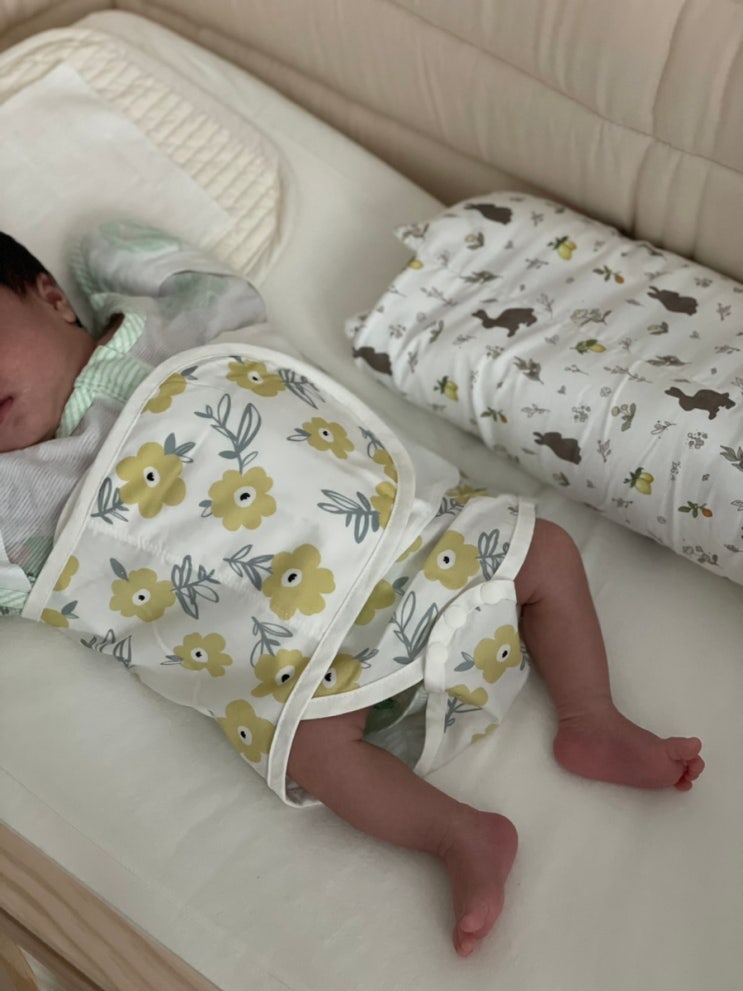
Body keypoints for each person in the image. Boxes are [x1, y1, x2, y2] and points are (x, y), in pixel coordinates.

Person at [0, 222, 704, 958]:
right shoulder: (19, 502)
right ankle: (456, 833)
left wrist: (98, 255)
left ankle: (592, 715)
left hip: (426, 548)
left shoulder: (174, 328)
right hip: (316, 666)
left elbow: (168, 266)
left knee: (545, 550)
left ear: (52, 297)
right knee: (310, 747)